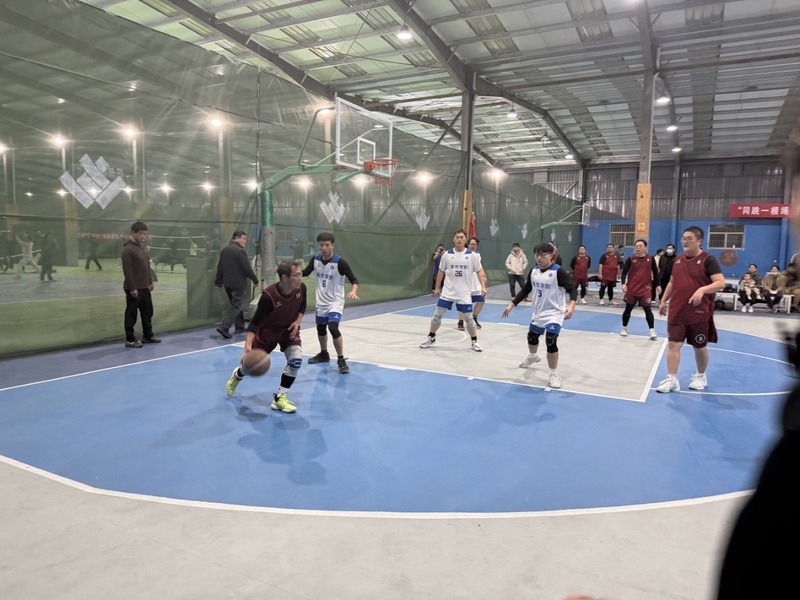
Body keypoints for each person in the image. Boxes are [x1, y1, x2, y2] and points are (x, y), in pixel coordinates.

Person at [225, 260, 306, 414]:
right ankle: (238, 375)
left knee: (295, 362)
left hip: (288, 331)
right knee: (250, 366)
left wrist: (297, 321)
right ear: (284, 278)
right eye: (297, 275)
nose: (300, 277)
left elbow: (302, 306)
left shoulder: (301, 288)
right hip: (268, 334)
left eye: (300, 274)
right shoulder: (269, 296)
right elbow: (255, 322)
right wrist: (247, 346)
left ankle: (280, 398)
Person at [656, 226, 725, 393]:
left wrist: (702, 290)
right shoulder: (678, 260)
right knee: (673, 344)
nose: (685, 241)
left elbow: (720, 283)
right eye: (683, 238)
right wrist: (663, 300)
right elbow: (672, 282)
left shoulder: (708, 260)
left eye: (689, 239)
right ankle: (672, 379)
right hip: (677, 310)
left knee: (699, 346)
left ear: (699, 241)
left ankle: (701, 375)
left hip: (698, 312)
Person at [501, 241, 577, 389]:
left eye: (543, 254)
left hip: (555, 313)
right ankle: (533, 356)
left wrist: (572, 305)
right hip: (538, 313)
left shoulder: (558, 272)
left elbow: (572, 289)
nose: (539, 258)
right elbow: (526, 289)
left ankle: (553, 374)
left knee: (551, 340)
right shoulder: (534, 271)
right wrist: (512, 304)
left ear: (551, 255)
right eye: (537, 255)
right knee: (532, 337)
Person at [420, 229, 485, 352]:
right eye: (457, 237)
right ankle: (431, 337)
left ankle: (474, 342)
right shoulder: (447, 255)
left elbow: (479, 271)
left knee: (469, 319)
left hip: (464, 293)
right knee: (437, 316)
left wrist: (483, 287)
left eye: (461, 237)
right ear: (454, 239)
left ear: (465, 239)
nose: (459, 239)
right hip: (448, 291)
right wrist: (437, 288)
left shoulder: (472, 255)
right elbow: (441, 271)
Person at [303, 232, 360, 374]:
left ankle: (341, 359)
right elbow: (305, 273)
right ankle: (324, 354)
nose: (324, 248)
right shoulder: (315, 260)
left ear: (332, 245)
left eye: (327, 245)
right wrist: (287, 271)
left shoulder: (340, 262)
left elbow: (354, 280)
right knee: (320, 329)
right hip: (321, 302)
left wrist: (353, 291)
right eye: (321, 245)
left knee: (333, 328)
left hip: (335, 302)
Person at [121, 221, 161, 348]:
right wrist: (132, 288)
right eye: (141, 234)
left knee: (147, 312)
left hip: (145, 287)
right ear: (133, 233)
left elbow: (147, 266)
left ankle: (148, 336)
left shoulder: (143, 247)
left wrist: (150, 281)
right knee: (131, 314)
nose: (143, 236)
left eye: (145, 234)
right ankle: (130, 340)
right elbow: (127, 271)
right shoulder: (127, 249)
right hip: (134, 289)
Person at [215, 230, 259, 339]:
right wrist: (255, 280)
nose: (245, 241)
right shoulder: (240, 251)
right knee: (237, 306)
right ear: (237, 238)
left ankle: (239, 326)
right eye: (244, 238)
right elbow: (246, 268)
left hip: (227, 284)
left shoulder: (225, 250)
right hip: (238, 283)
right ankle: (224, 327)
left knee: (235, 305)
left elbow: (220, 267)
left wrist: (218, 282)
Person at [619, 239, 660, 339]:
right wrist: (623, 284)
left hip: (645, 289)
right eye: (636, 246)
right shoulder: (630, 259)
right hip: (632, 289)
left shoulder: (650, 258)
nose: (638, 248)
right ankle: (624, 328)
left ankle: (652, 330)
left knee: (647, 309)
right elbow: (624, 272)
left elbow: (655, 272)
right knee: (628, 309)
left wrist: (658, 285)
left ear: (645, 247)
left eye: (640, 246)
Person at [458, 237, 487, 330]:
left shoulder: (477, 255)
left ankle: (474, 318)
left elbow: (480, 267)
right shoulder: (463, 254)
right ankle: (461, 322)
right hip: (465, 281)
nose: (473, 246)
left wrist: (484, 276)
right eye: (471, 244)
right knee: (463, 302)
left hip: (476, 282)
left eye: (475, 244)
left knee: (481, 301)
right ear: (468, 244)